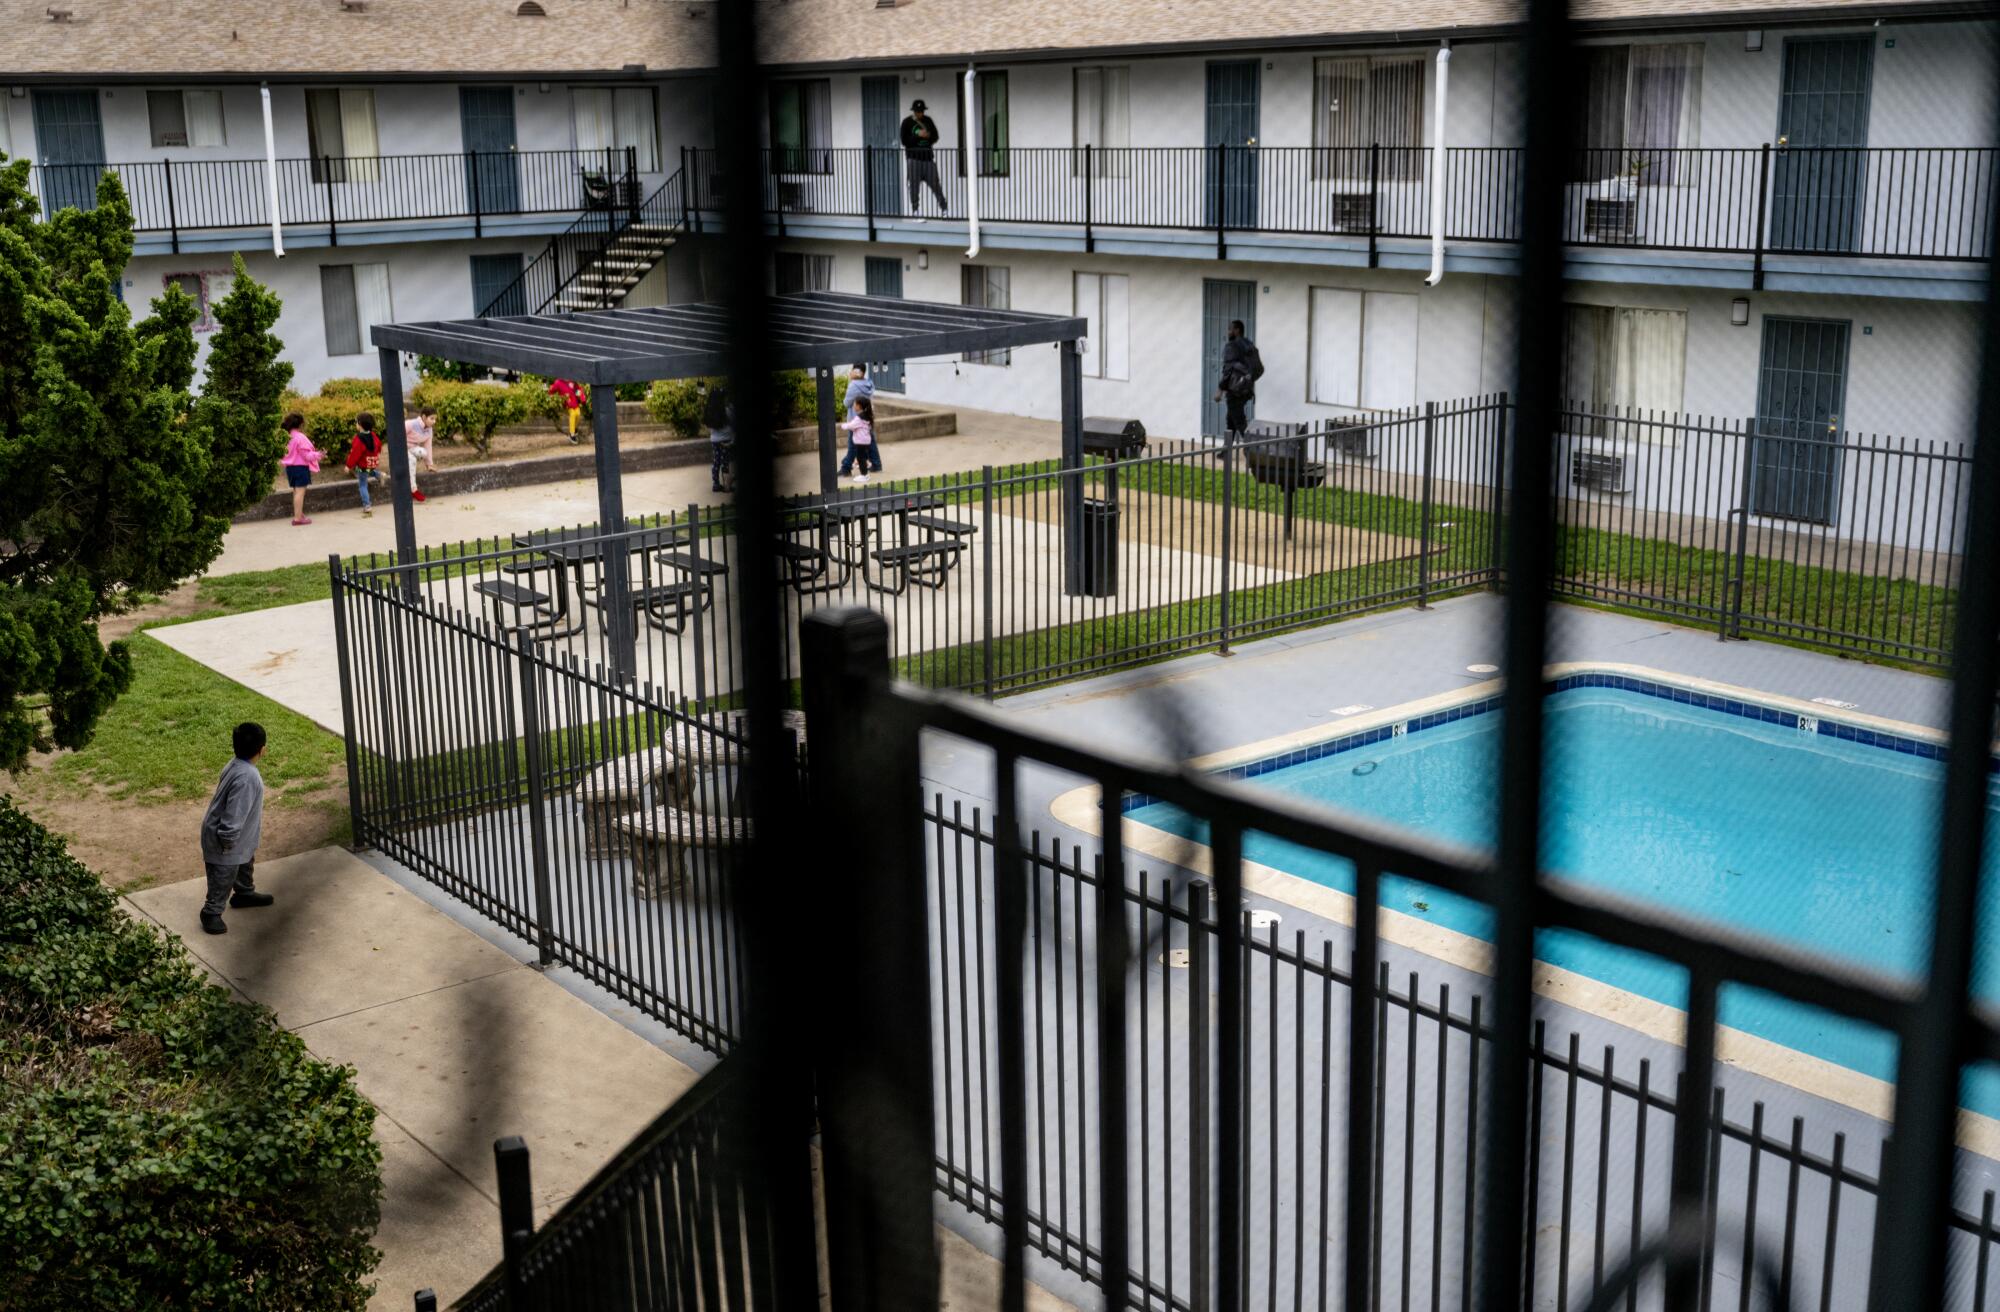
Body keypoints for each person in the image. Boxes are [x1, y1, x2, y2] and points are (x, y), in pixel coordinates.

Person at [199, 722, 272, 936]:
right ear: (262, 750)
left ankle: (244, 893)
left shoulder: (235, 764)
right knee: (223, 874)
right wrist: (228, 843)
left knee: (245, 862)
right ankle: (211, 912)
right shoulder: (248, 778)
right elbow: (234, 814)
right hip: (226, 840)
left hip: (241, 839)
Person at [1212, 319, 1265, 441]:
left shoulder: (1231, 346)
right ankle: (1225, 451)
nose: (1228, 332)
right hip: (1246, 390)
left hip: (1234, 391)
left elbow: (1227, 370)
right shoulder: (1249, 344)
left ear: (1237, 330)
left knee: (1240, 423)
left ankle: (1253, 451)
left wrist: (1220, 389)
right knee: (1231, 420)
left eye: (1230, 329)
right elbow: (1259, 369)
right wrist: (1248, 381)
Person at [900, 98, 948, 220]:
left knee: (935, 184)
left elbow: (936, 136)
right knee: (914, 186)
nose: (920, 113)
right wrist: (917, 135)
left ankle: (944, 208)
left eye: (921, 111)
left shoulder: (928, 121)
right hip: (913, 159)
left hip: (928, 158)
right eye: (918, 111)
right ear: (914, 111)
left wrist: (928, 136)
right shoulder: (907, 122)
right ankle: (915, 210)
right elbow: (904, 141)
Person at [280, 411, 321, 526]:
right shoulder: (300, 437)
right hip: (300, 468)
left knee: (296, 492)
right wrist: (319, 454)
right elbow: (306, 456)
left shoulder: (286, 436)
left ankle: (299, 514)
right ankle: (298, 518)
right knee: (300, 493)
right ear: (300, 424)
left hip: (290, 468)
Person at [345, 412, 384, 518]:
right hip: (372, 461)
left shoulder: (358, 439)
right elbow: (379, 445)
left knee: (362, 484)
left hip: (363, 464)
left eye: (356, 422)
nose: (356, 424)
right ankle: (379, 475)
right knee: (369, 470)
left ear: (360, 424)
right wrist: (377, 453)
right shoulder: (373, 435)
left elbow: (354, 454)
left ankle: (367, 506)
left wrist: (348, 466)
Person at [845, 363, 882, 474]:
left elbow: (846, 403)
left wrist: (850, 380)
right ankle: (876, 464)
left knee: (852, 445)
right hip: (867, 417)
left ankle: (846, 468)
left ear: (855, 371)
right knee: (871, 442)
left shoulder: (853, 385)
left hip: (855, 419)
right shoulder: (869, 383)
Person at [837, 395, 880, 483]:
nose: (853, 405)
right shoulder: (866, 416)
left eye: (855, 404)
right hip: (865, 441)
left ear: (859, 406)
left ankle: (864, 475)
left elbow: (851, 425)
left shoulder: (859, 418)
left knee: (861, 459)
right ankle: (865, 474)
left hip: (860, 442)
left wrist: (843, 426)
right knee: (862, 458)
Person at [704, 383, 735, 493]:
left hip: (714, 440)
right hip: (725, 440)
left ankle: (716, 484)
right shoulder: (726, 411)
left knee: (716, 462)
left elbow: (709, 426)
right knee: (725, 462)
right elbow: (733, 423)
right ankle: (727, 485)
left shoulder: (711, 412)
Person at [405, 405, 439, 501]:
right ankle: (413, 489)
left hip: (412, 448)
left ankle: (409, 460)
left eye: (435, 419)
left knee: (424, 452)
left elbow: (428, 446)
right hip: (401, 448)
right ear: (424, 417)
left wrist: (429, 465)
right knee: (412, 460)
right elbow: (397, 435)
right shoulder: (410, 424)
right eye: (432, 418)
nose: (434, 421)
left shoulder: (429, 429)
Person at [549, 377, 585, 442]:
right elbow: (552, 390)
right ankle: (572, 435)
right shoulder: (558, 382)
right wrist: (550, 395)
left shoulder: (573, 381)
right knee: (573, 415)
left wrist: (582, 398)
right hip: (567, 405)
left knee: (578, 414)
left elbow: (578, 389)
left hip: (575, 403)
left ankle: (575, 429)